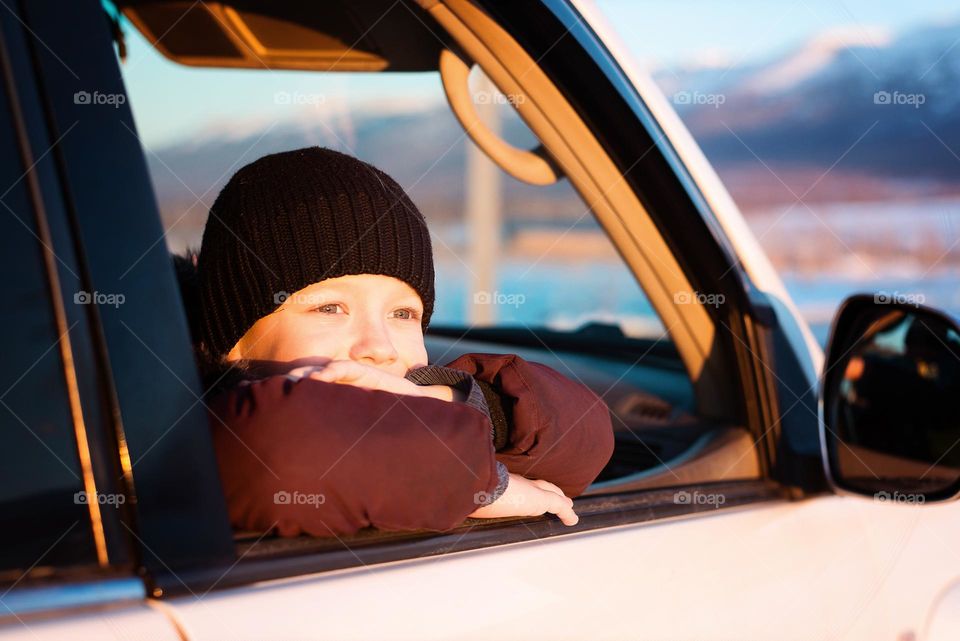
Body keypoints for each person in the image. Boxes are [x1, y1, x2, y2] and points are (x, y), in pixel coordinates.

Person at [182, 146, 614, 538]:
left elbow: (586, 442)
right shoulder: (194, 427)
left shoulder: (419, 394)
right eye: (329, 308)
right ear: (232, 341)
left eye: (403, 314)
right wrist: (483, 486)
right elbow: (282, 451)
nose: (379, 347)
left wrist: (454, 401)